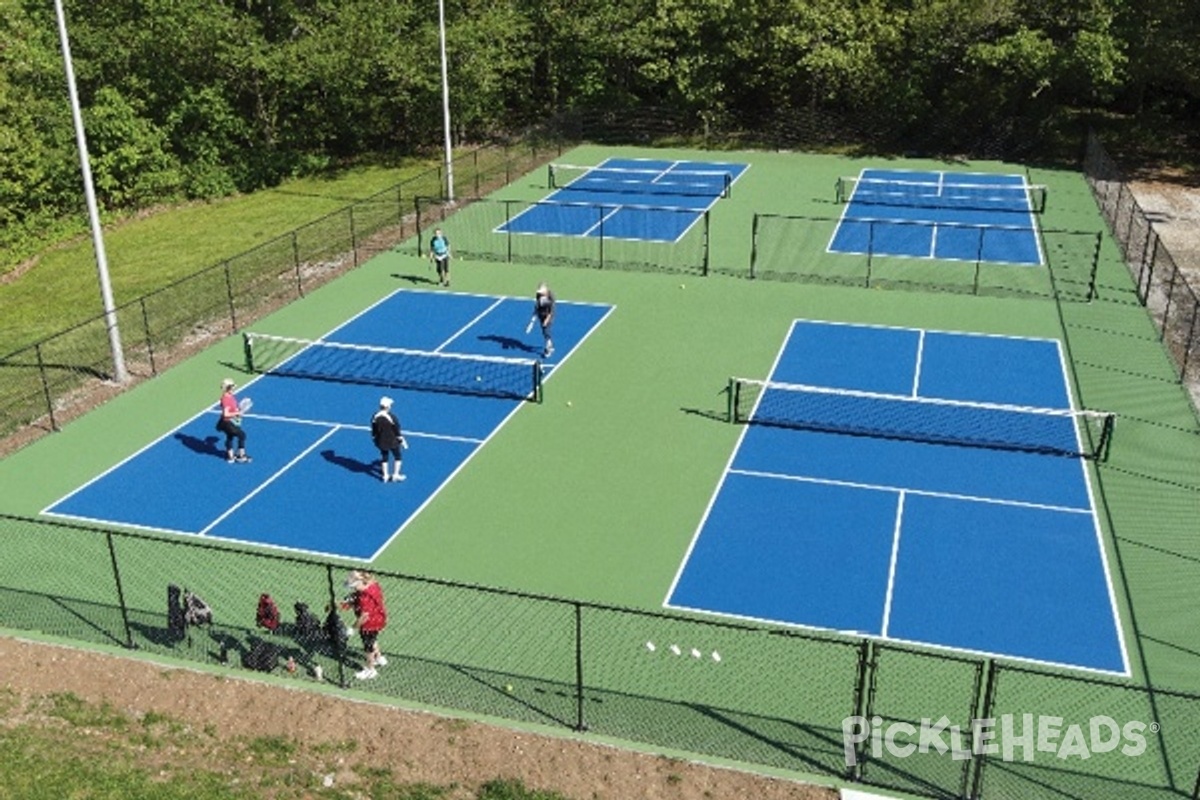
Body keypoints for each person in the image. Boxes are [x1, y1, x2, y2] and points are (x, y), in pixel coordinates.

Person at [341, 570, 388, 680]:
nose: (353, 588)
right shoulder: (373, 585)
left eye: (354, 586)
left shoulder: (364, 598)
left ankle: (370, 670)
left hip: (369, 623)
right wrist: (353, 598)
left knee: (368, 646)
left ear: (359, 583)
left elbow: (364, 617)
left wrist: (352, 628)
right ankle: (379, 658)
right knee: (373, 639)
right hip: (380, 618)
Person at [371, 396, 406, 482]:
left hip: (381, 441)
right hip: (392, 441)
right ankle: (395, 475)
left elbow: (374, 430)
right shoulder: (392, 417)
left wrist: (375, 439)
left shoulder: (375, 416)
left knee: (384, 457)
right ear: (387, 407)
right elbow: (397, 431)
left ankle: (385, 476)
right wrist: (402, 441)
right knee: (398, 456)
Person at [216, 378, 251, 463]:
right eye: (232, 387)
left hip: (230, 422)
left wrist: (237, 412)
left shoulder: (229, 397)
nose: (233, 389)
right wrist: (237, 413)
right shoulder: (226, 399)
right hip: (227, 422)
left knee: (230, 437)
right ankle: (241, 456)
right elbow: (226, 414)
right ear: (227, 388)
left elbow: (232, 409)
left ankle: (230, 457)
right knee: (242, 435)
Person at [527, 282, 555, 358]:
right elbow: (537, 307)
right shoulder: (538, 296)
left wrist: (547, 320)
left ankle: (548, 349)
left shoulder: (550, 297)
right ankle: (550, 345)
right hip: (541, 314)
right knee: (544, 331)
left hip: (548, 315)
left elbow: (551, 312)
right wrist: (532, 321)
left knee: (546, 330)